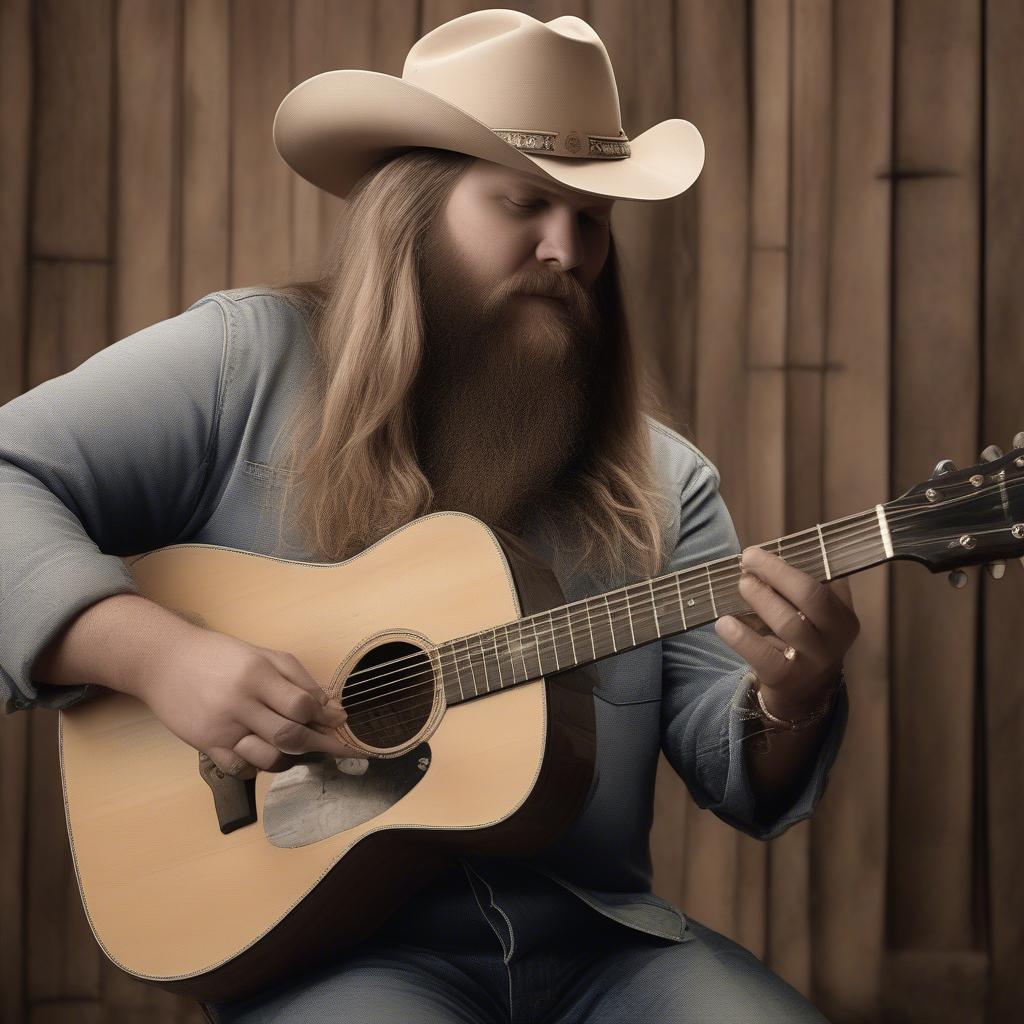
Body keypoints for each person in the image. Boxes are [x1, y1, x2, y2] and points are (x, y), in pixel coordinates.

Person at [0, 10, 859, 1023]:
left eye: (592, 218)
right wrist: (158, 657)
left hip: (606, 946)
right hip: (332, 961)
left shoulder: (665, 484)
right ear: (414, 213)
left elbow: (734, 767)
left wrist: (790, 699)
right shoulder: (242, 365)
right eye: (526, 204)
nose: (568, 249)